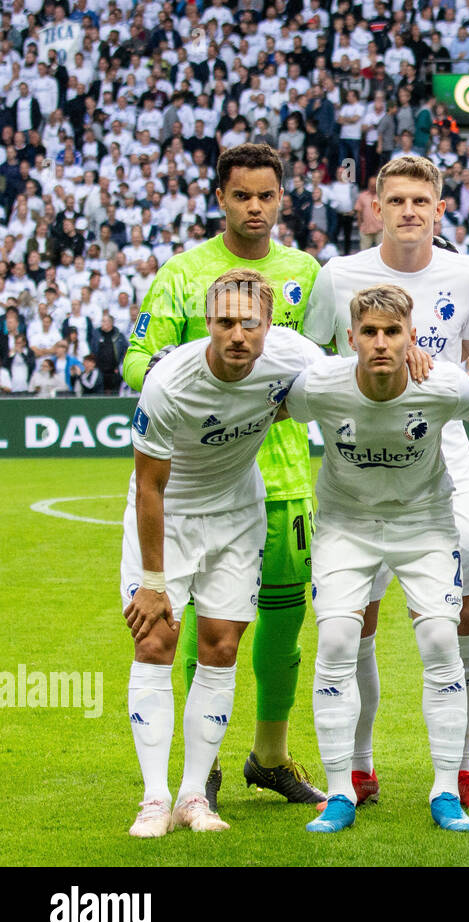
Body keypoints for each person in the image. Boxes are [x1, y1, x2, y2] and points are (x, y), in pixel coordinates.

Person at [123, 143, 326, 811]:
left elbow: (324, 366)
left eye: (267, 196)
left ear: (282, 199)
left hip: (285, 472)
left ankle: (270, 754)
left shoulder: (306, 272)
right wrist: (183, 391)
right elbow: (138, 360)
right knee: (187, 622)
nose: (256, 208)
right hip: (194, 468)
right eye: (243, 196)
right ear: (221, 198)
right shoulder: (182, 275)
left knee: (277, 624)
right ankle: (193, 774)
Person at [303, 156, 469, 812]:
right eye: (397, 200)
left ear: (440, 209)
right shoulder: (339, 276)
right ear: (376, 207)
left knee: (461, 614)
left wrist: (437, 372)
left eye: (422, 200)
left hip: (442, 467)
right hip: (358, 467)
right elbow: (309, 365)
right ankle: (357, 770)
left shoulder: (468, 274)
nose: (410, 211)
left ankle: (463, 768)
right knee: (353, 617)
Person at [287, 284, 469, 834]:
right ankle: (340, 791)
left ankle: (445, 790)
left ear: (411, 337)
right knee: (338, 642)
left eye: (392, 332)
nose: (379, 342)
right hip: (345, 527)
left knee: (443, 640)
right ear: (349, 339)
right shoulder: (319, 385)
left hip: (423, 524)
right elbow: (266, 404)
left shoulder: (440, 384)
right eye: (368, 332)